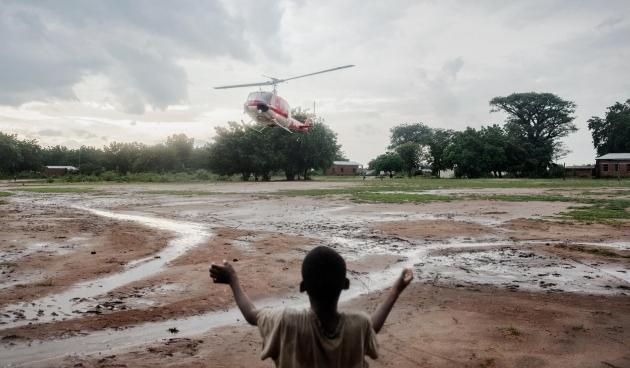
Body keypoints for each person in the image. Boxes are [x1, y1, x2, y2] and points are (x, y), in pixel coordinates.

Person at [210, 246, 413, 368]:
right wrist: (396, 290)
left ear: (302, 287)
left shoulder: (286, 321)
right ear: (346, 285)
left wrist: (233, 280)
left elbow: (251, 315)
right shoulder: (358, 326)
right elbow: (372, 326)